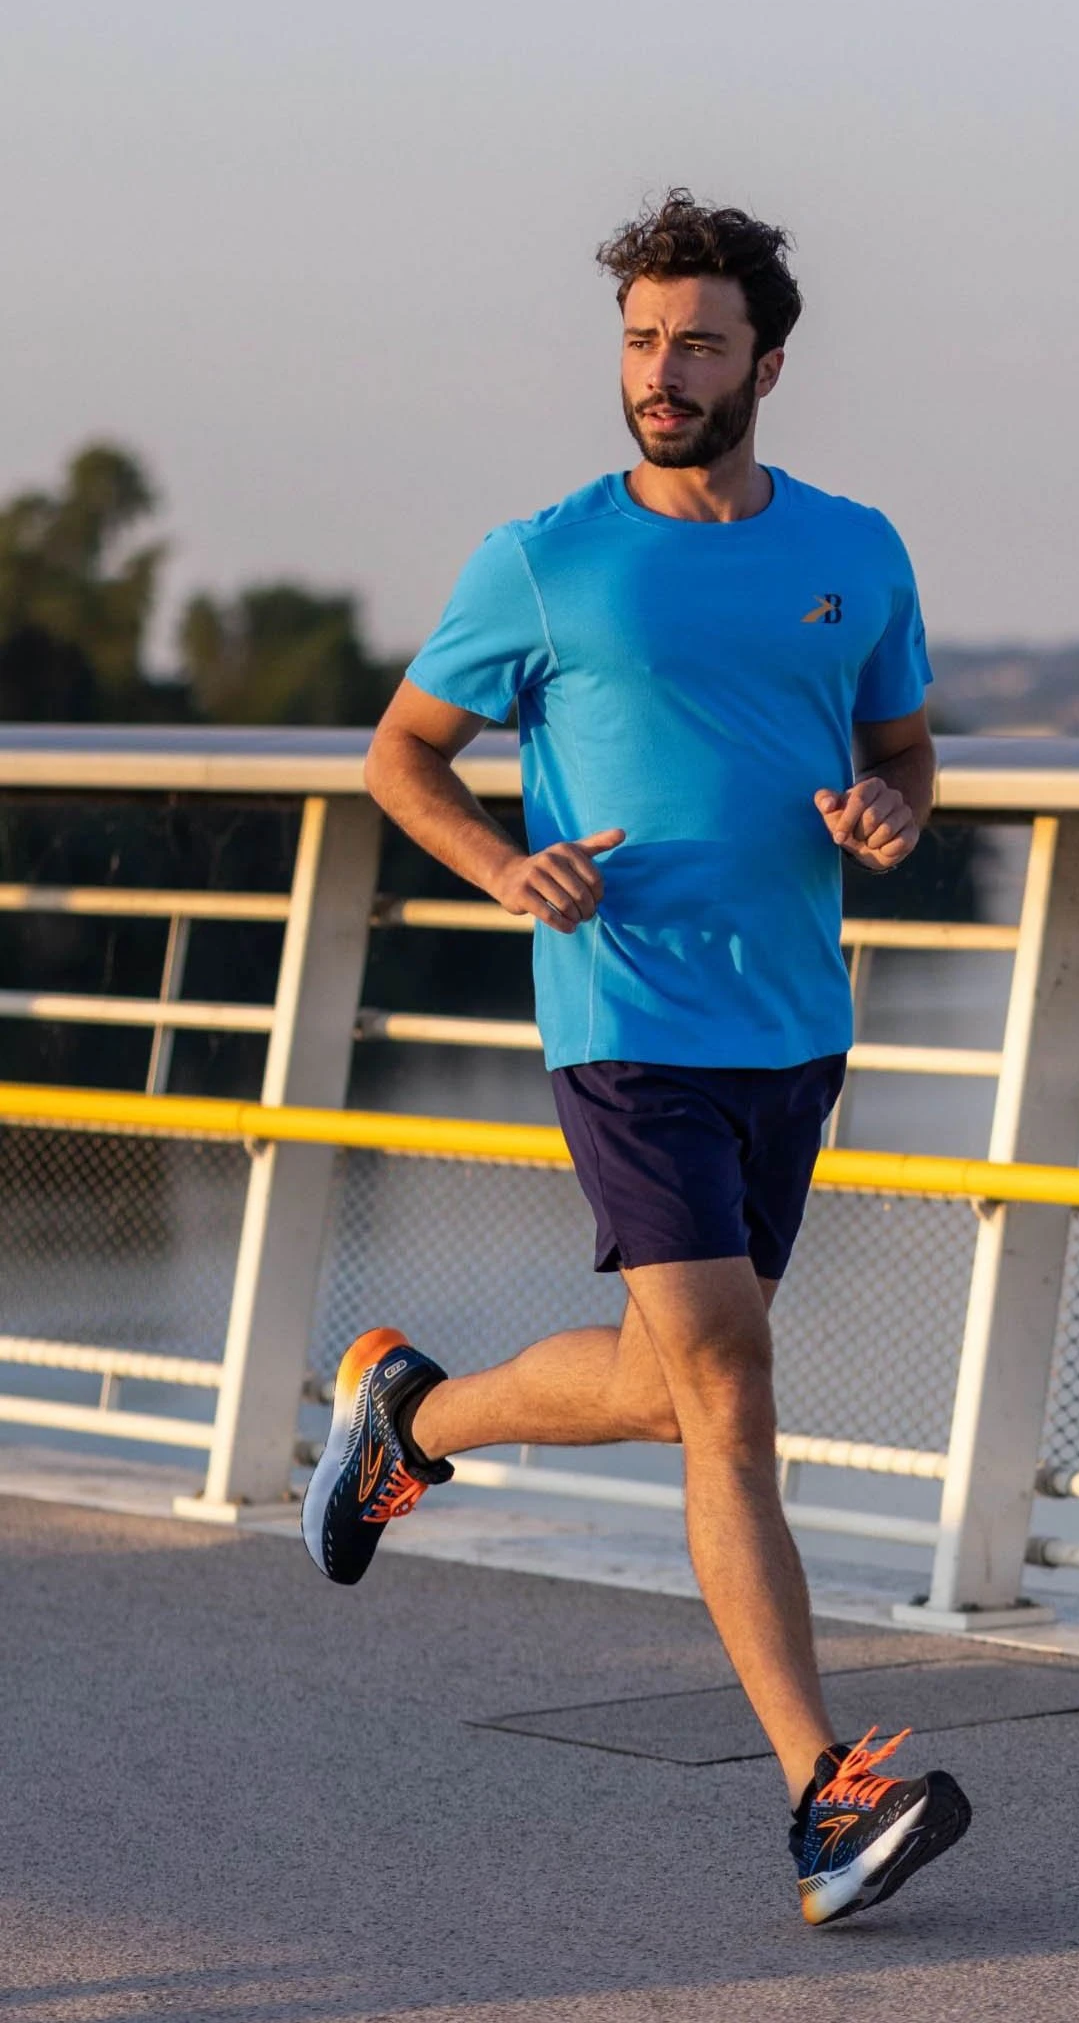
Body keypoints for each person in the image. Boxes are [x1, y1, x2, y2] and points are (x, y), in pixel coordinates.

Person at [300, 189, 971, 1925]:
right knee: (729, 1391)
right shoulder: (545, 560)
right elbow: (402, 754)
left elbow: (905, 749)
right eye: (640, 342)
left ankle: (409, 1418)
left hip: (793, 1023)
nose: (661, 373)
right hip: (629, 1021)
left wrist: (894, 811)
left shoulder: (856, 551)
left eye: (697, 346)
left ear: (767, 365)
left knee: (673, 1383)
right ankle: (824, 1794)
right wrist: (500, 865)